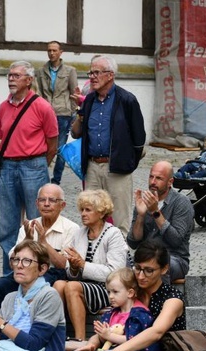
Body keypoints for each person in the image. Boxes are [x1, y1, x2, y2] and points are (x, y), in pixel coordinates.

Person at [70, 55, 146, 236]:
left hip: (117, 168)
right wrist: (80, 115)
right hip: (92, 167)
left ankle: (120, 261)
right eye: (91, 72)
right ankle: (94, 259)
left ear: (110, 75)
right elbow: (76, 133)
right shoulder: (88, 101)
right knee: (91, 216)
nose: (92, 77)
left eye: (96, 72)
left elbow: (139, 139)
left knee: (120, 220)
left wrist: (127, 164)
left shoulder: (127, 100)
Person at [0, 61, 59, 275]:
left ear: (29, 80)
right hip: (7, 167)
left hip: (33, 165)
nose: (11, 79)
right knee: (7, 226)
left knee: (36, 221)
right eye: (9, 75)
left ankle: (38, 272)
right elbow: (1, 137)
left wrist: (39, 164)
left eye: (16, 76)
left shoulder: (42, 106)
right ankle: (9, 274)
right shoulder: (3, 107)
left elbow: (52, 142)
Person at [0, 183, 79, 310]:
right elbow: (12, 262)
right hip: (25, 272)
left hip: (52, 274)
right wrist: (27, 241)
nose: (46, 204)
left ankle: (24, 323)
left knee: (36, 284)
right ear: (37, 203)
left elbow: (65, 265)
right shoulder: (29, 226)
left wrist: (44, 243)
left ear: (62, 205)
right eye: (42, 200)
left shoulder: (71, 228)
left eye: (52, 200)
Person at [54, 190, 128, 341]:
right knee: (59, 284)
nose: (83, 214)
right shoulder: (80, 233)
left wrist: (82, 264)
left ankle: (80, 339)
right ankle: (57, 335)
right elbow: (71, 273)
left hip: (107, 288)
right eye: (82, 209)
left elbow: (115, 272)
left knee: (71, 286)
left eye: (88, 210)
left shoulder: (113, 233)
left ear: (101, 213)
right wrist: (74, 267)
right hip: (85, 285)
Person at [127, 161, 194, 282]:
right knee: (122, 264)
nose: (153, 182)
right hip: (145, 256)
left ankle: (162, 299)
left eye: (158, 178)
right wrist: (141, 215)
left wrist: (155, 212)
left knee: (157, 265)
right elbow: (133, 242)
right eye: (151, 177)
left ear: (170, 182)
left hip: (175, 258)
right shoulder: (144, 200)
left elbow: (176, 240)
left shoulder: (181, 202)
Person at [36, 41, 79, 185]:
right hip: (45, 114)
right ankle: (42, 175)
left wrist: (73, 112)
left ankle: (56, 179)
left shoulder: (69, 70)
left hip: (63, 114)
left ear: (61, 52)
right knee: (43, 147)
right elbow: (39, 93)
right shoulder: (41, 71)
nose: (51, 53)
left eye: (54, 50)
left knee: (59, 148)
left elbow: (74, 93)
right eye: (49, 50)